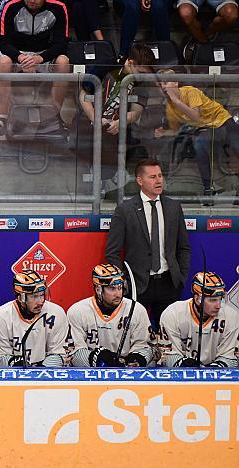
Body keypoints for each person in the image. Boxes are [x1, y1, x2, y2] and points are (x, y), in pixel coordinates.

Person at [105, 158, 191, 331]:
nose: (158, 180)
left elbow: (183, 247)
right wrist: (125, 282)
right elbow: (112, 252)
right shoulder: (125, 210)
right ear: (139, 180)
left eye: (160, 175)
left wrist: (180, 276)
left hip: (169, 283)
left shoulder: (173, 207)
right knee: (135, 335)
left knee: (168, 334)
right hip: (138, 285)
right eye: (152, 177)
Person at [154, 69, 239, 204]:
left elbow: (196, 115)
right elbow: (176, 130)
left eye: (166, 82)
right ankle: (208, 189)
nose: (163, 87)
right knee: (199, 144)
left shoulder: (190, 91)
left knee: (237, 146)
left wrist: (176, 101)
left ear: (175, 82)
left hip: (223, 122)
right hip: (207, 128)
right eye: (160, 84)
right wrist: (163, 132)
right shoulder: (170, 106)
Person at [76, 44, 156, 186]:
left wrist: (121, 122)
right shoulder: (106, 66)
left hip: (118, 126)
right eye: (141, 72)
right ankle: (98, 179)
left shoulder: (142, 81)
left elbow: (136, 113)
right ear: (130, 63)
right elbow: (83, 94)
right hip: (90, 120)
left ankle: (112, 177)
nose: (143, 76)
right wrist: (95, 119)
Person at [0, 0, 70, 127]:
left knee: (63, 62)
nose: (32, 1)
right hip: (16, 53)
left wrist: (40, 58)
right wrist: (21, 57)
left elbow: (62, 43)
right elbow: (4, 43)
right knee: (4, 62)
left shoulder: (59, 7)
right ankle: (2, 117)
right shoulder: (11, 6)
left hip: (43, 54)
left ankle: (55, 116)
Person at [68, 264, 154, 367]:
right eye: (112, 289)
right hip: (91, 375)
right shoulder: (77, 311)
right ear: (98, 289)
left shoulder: (137, 310)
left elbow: (147, 347)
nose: (118, 294)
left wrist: (137, 359)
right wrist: (99, 359)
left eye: (120, 288)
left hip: (128, 374)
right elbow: (74, 354)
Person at [0, 270, 68, 367]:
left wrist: (39, 373)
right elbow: (1, 357)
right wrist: (22, 368)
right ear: (20, 298)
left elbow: (58, 354)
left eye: (42, 295)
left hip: (47, 373)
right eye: (34, 297)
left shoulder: (56, 313)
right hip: (14, 374)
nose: (41, 302)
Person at [159, 272, 239, 367]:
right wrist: (184, 364)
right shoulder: (172, 313)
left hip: (218, 375)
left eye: (220, 299)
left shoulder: (231, 316)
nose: (218, 305)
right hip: (180, 373)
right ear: (197, 299)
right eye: (212, 300)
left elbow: (231, 357)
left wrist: (214, 369)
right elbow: (167, 355)